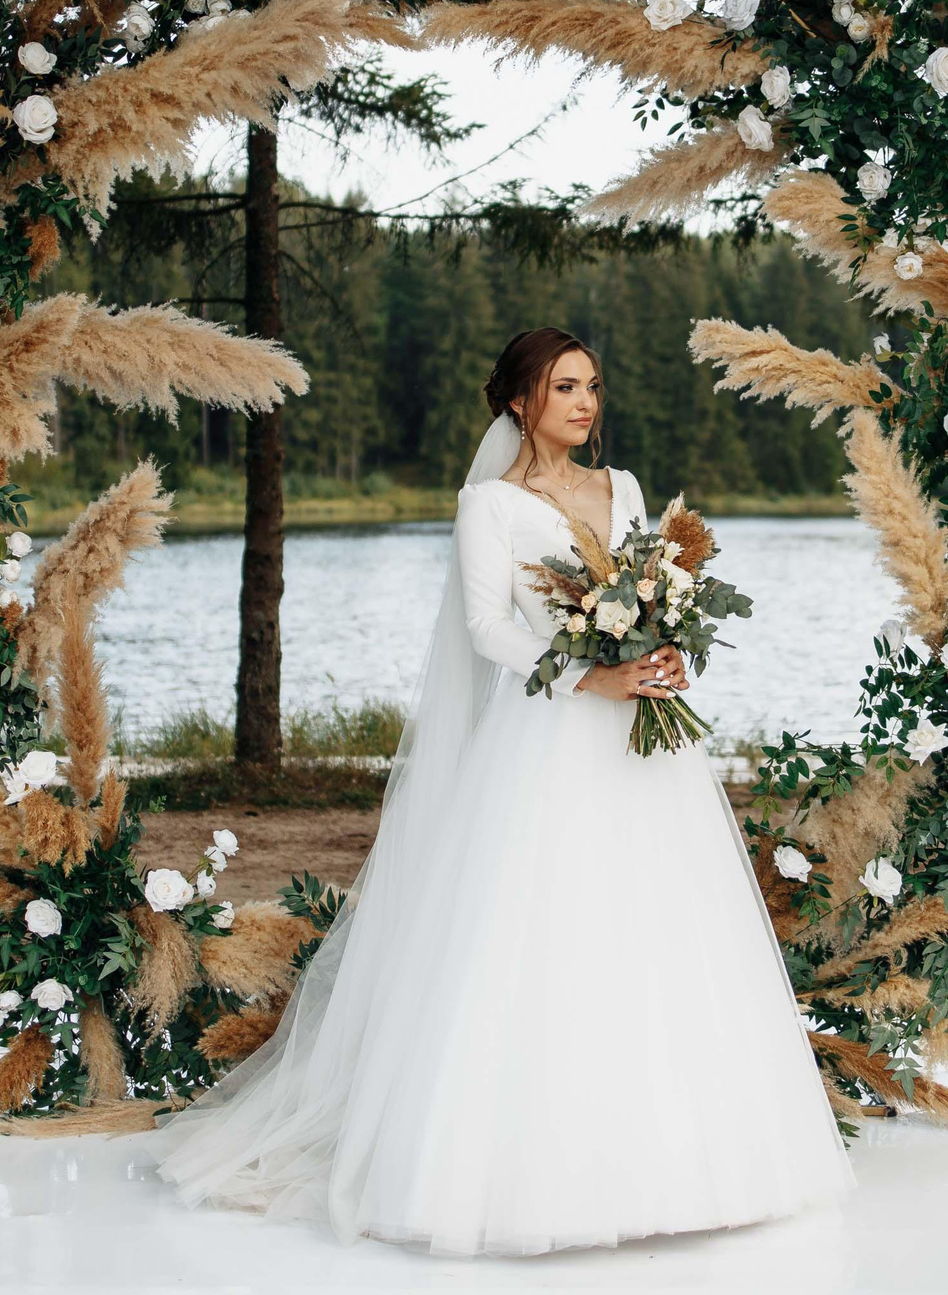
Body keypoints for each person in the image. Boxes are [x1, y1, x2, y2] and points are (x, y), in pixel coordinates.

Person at [150, 326, 852, 1255]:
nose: (584, 402)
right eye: (564, 387)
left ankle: (690, 1162)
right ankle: (534, 1178)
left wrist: (663, 651)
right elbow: (487, 629)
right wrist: (587, 675)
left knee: (664, 931)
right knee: (546, 939)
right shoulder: (491, 505)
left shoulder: (626, 490)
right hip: (550, 742)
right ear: (521, 400)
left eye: (593, 386)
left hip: (643, 748)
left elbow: (647, 589)